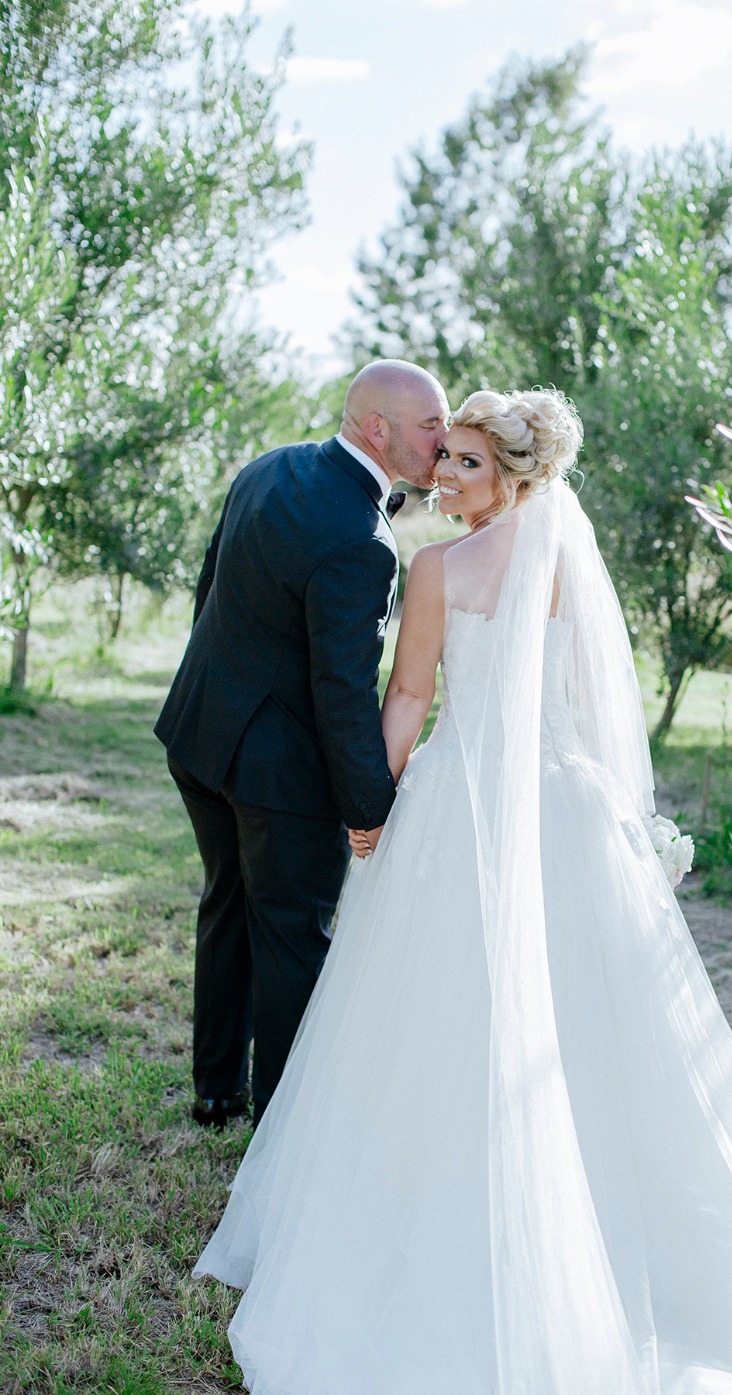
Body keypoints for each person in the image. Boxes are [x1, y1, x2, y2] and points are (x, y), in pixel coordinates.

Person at [195, 389, 732, 1394]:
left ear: (515, 479)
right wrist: (615, 815)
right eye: (441, 459)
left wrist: (371, 805)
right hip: (564, 805)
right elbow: (590, 702)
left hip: (463, 806)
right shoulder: (562, 566)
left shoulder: (436, 571)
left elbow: (407, 695)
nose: (442, 480)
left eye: (464, 465)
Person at [155, 360, 448, 1129]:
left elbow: (208, 589)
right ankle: (279, 1128)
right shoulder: (363, 540)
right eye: (430, 423)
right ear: (376, 428)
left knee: (225, 905)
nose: (443, 438)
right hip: (275, 772)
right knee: (290, 938)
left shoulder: (268, 466)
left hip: (197, 735)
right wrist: (369, 806)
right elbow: (342, 691)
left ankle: (217, 1090)